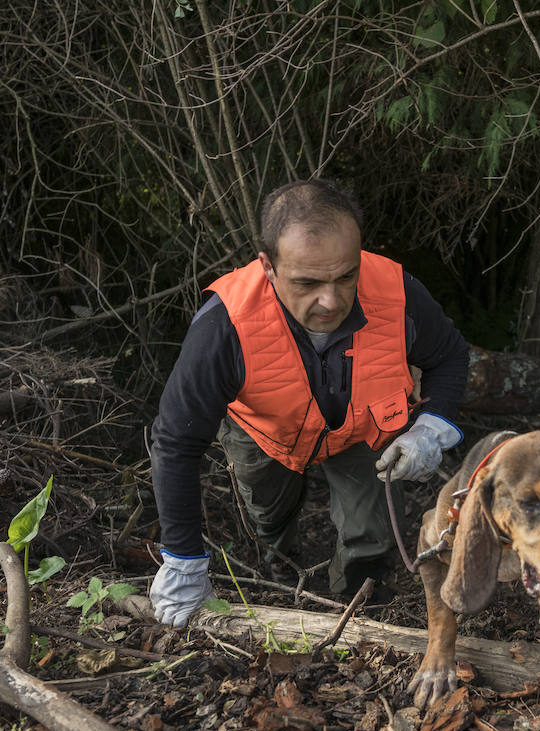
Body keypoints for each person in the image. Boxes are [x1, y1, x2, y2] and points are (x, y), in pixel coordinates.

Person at [148, 179, 471, 627]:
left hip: (366, 429)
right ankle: (281, 571)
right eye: (307, 282)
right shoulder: (225, 325)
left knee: (371, 537)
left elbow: (450, 356)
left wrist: (431, 427)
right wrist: (182, 559)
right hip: (265, 431)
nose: (331, 301)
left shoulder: (397, 292)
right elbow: (175, 441)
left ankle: (362, 611)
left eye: (345, 276)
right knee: (269, 518)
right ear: (268, 265)